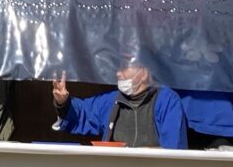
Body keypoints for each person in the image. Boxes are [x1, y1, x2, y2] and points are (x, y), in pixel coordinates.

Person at [51, 59, 186, 148]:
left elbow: (173, 151)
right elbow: (82, 113)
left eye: (125, 67)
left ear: (144, 72)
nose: (118, 73)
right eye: (118, 67)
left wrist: (134, 154)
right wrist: (63, 103)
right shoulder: (111, 100)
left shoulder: (167, 100)